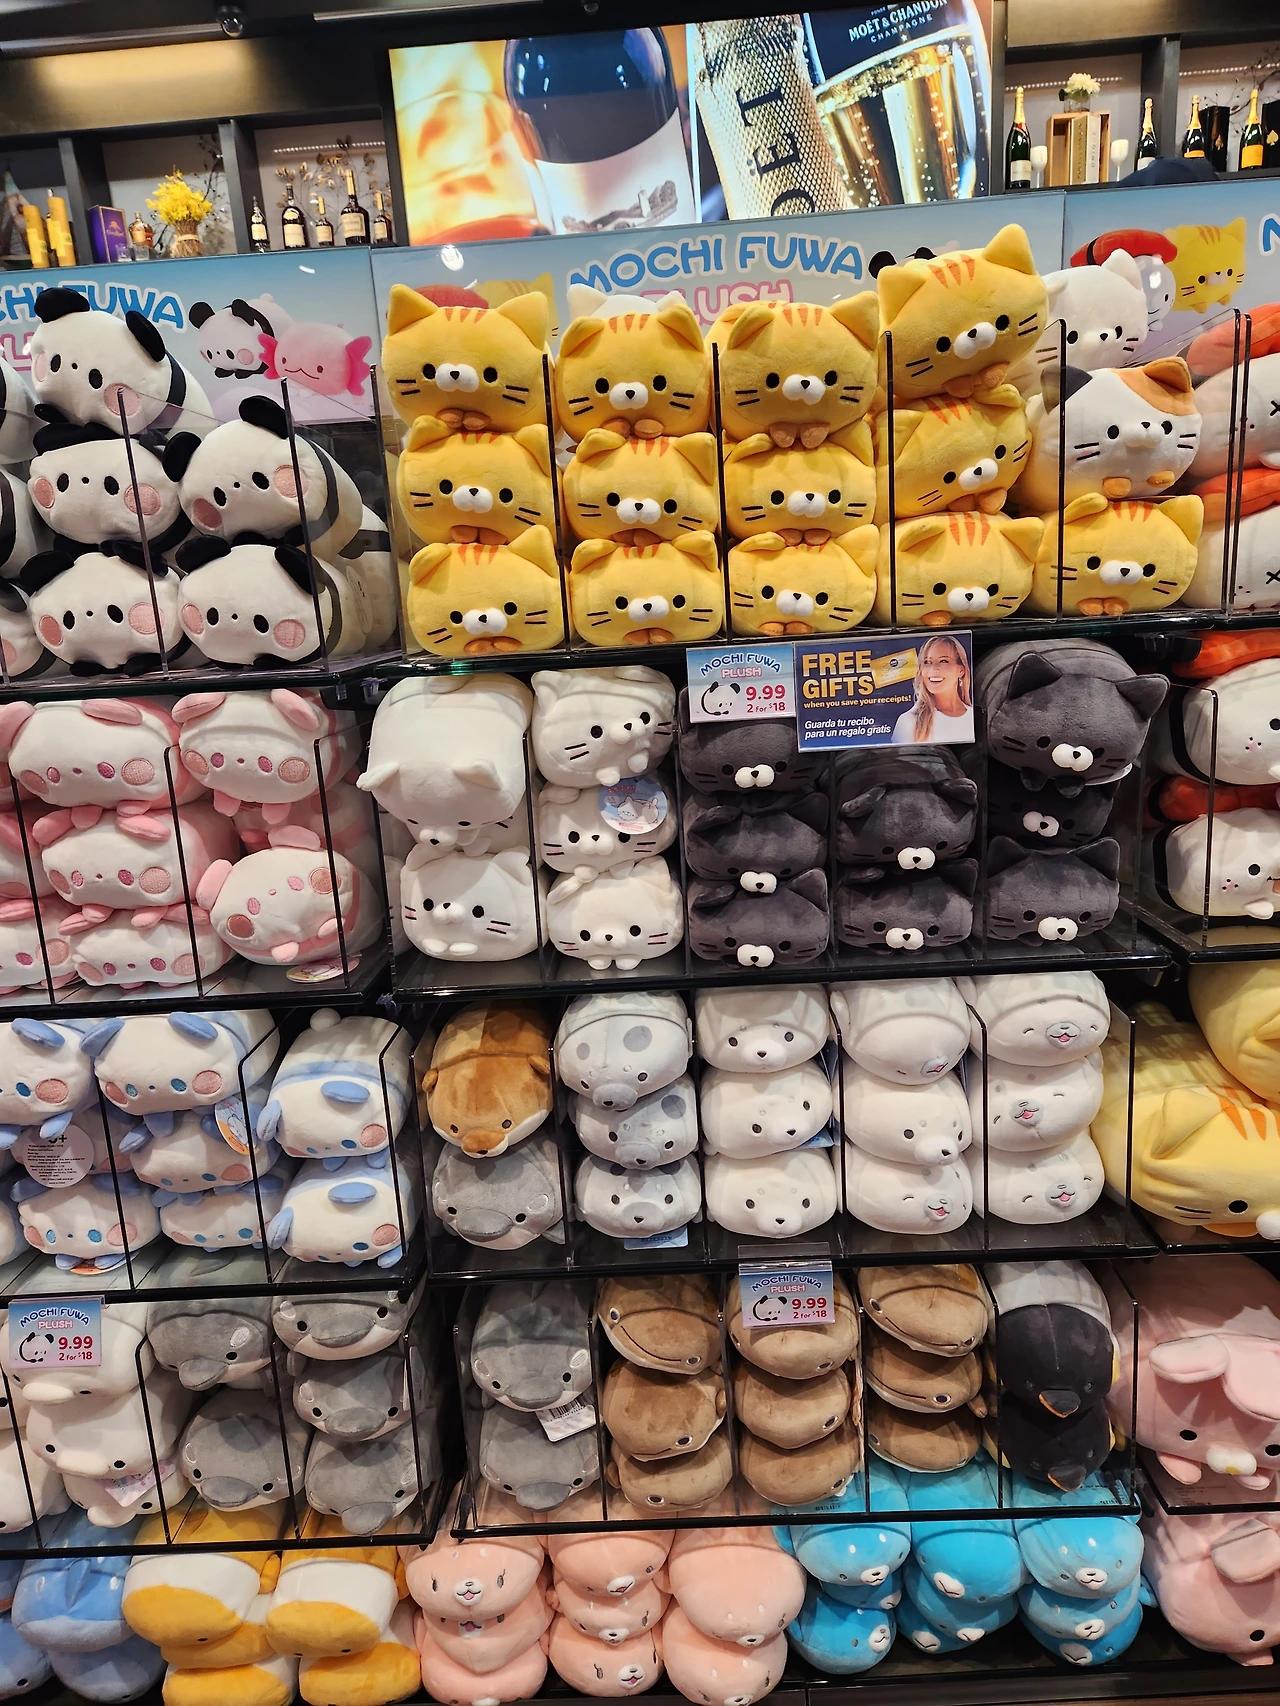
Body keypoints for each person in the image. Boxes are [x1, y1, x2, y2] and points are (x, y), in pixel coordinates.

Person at [891, 633, 974, 744]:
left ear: (961, 670)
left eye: (943, 661)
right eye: (927, 662)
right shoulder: (909, 721)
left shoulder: (974, 717)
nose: (933, 669)